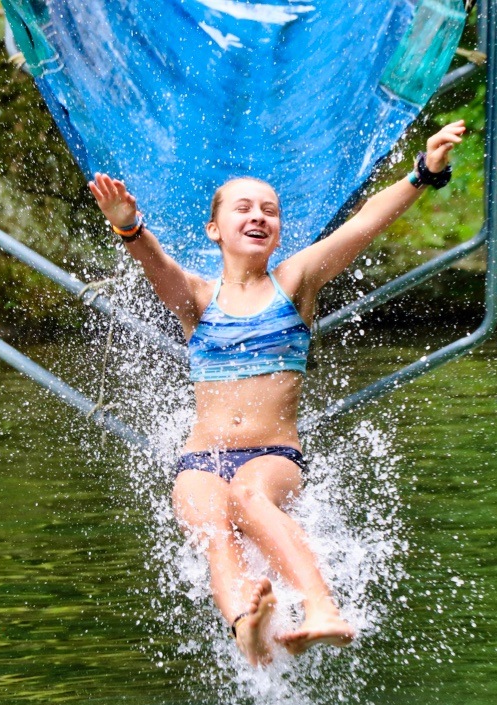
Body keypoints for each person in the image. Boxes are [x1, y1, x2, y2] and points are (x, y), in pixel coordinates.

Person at [88, 121, 467, 666]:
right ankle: (246, 625)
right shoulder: (197, 297)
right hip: (201, 457)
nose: (258, 216)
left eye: (269, 210)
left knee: (247, 496)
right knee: (211, 526)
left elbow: (363, 223)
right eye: (243, 208)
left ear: (279, 230)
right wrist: (129, 228)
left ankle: (321, 609)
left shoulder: (295, 281)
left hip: (272, 457)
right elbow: (155, 265)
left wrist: (423, 172)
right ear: (215, 229)